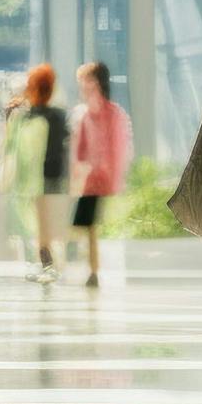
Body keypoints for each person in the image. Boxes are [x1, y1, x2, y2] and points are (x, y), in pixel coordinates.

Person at [69, 61, 133, 288]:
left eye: (85, 81)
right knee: (86, 225)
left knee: (89, 225)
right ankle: (91, 269)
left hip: (101, 181)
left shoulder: (112, 114)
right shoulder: (86, 115)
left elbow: (120, 149)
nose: (81, 86)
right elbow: (80, 152)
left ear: (95, 82)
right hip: (89, 180)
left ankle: (93, 270)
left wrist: (112, 176)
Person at [4, 64, 71, 282]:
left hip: (40, 177)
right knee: (44, 223)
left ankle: (48, 265)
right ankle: (48, 264)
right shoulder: (56, 115)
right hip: (52, 175)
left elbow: (14, 147)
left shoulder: (30, 116)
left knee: (42, 223)